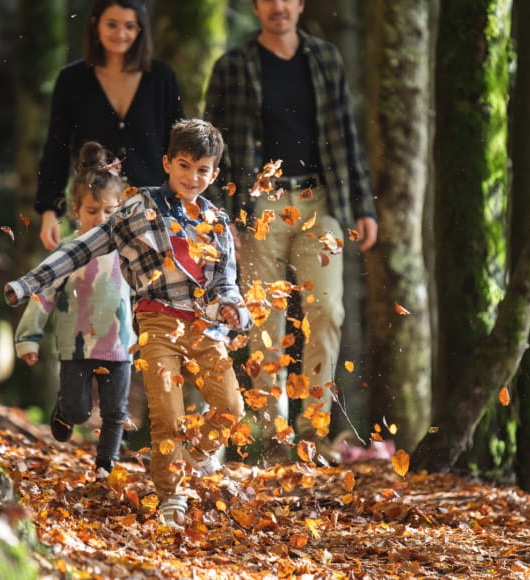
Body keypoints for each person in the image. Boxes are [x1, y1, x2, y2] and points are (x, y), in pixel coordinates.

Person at [5, 119, 251, 529]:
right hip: (157, 323)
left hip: (206, 327)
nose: (193, 177)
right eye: (185, 165)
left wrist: (232, 306)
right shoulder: (138, 209)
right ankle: (170, 494)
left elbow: (226, 281)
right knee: (167, 412)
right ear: (167, 162)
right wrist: (29, 283)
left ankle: (190, 457)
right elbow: (82, 248)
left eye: (203, 169)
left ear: (215, 174)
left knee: (231, 407)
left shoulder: (218, 222)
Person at [204, 0, 378, 465]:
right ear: (257, 6)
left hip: (319, 201)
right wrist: (222, 220)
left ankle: (314, 435)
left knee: (327, 310)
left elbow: (346, 133)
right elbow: (213, 149)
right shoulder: (234, 66)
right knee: (264, 318)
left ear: (300, 4)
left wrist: (363, 206)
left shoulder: (324, 59)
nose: (278, 6)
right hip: (258, 205)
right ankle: (273, 437)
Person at [15, 142, 134, 474]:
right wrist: (28, 338)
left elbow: (150, 289)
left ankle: (104, 468)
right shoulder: (66, 254)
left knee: (115, 412)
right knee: (80, 412)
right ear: (76, 210)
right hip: (76, 346)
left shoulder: (129, 251)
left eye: (110, 212)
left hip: (120, 345)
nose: (101, 220)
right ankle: (65, 410)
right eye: (92, 212)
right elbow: (42, 294)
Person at [36, 0, 183, 251]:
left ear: (140, 30)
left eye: (129, 26)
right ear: (95, 24)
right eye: (112, 25)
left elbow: (179, 147)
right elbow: (56, 146)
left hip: (153, 210)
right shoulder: (72, 80)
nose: (121, 34)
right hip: (94, 211)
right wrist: (49, 209)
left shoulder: (162, 78)